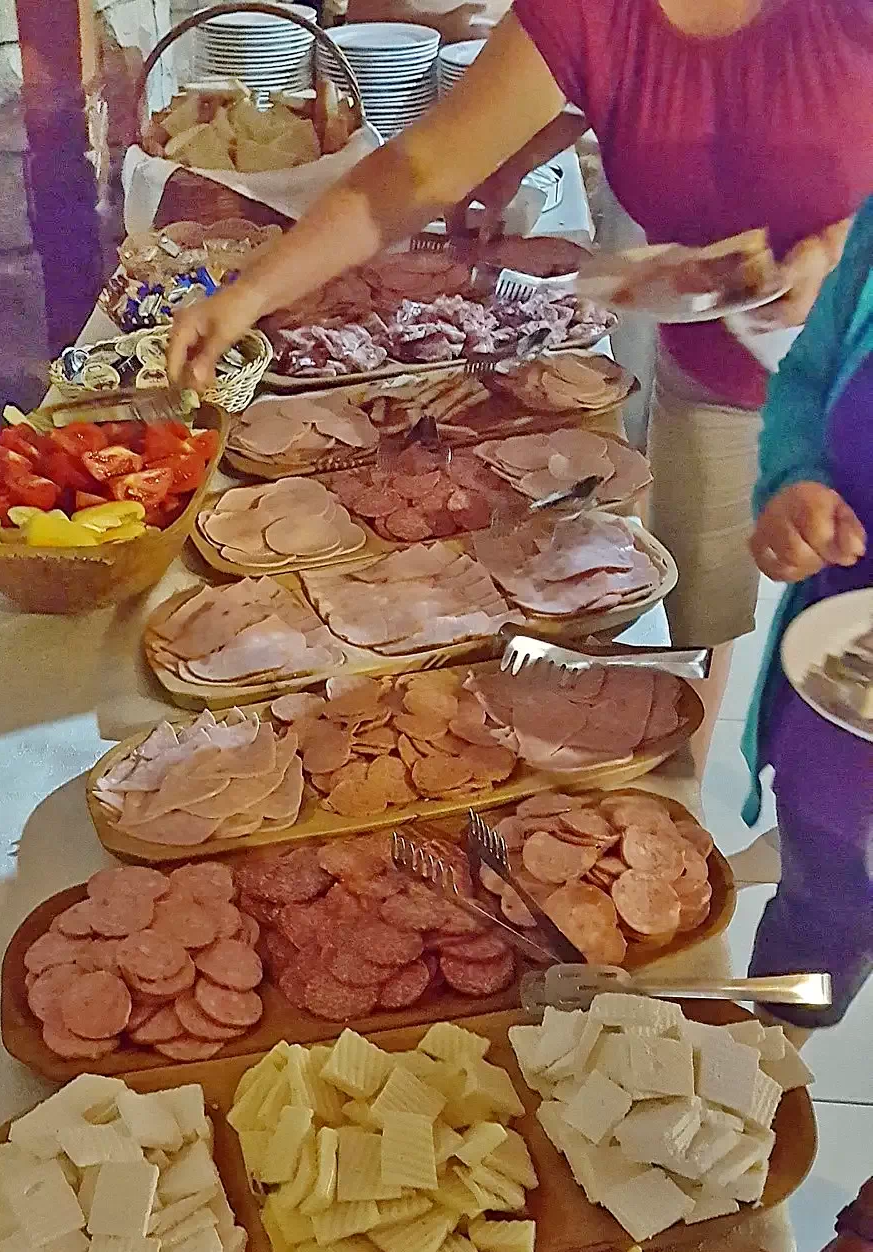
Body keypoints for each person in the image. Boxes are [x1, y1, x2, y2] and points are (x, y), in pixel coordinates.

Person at [169, 0, 873, 759]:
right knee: (710, 613)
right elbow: (420, 169)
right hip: (717, 368)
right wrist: (250, 293)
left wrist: (839, 245)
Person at [741, 198, 873, 1030]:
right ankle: (771, 1067)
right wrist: (794, 484)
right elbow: (805, 381)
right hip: (839, 697)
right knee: (816, 921)